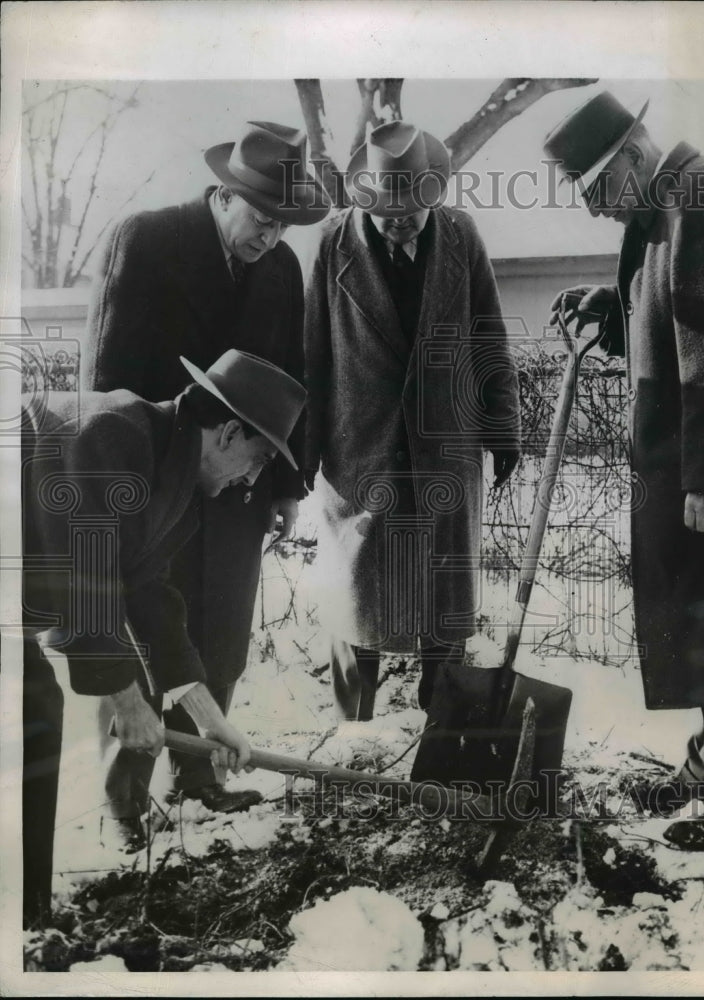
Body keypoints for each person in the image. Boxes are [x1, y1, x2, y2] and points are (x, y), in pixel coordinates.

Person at [82, 122, 329, 824]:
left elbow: (293, 376)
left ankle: (198, 776)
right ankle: (123, 793)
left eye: (284, 225)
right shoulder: (148, 239)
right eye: (261, 219)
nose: (271, 237)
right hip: (153, 472)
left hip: (239, 482)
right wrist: (125, 478)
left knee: (217, 628)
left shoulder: (280, 270)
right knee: (138, 613)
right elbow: (105, 374)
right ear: (224, 195)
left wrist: (284, 484)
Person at [22, 349, 307, 926]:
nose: (250, 481)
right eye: (255, 462)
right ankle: (25, 920)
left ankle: (27, 912)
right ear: (228, 431)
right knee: (34, 714)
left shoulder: (178, 480)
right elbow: (87, 582)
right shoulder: (116, 434)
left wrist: (207, 715)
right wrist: (127, 701)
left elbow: (151, 600)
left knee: (35, 713)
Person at [545, 91, 704, 848]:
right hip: (668, 460)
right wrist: (610, 305)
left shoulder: (701, 198)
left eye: (594, 192)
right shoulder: (658, 210)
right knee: (690, 622)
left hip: (698, 468)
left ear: (629, 155)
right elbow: (659, 322)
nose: (594, 212)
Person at [304, 121, 521, 721]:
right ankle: (354, 726)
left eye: (411, 210)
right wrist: (306, 448)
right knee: (358, 595)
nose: (398, 221)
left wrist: (502, 428)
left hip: (445, 444)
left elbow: (489, 336)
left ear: (434, 197)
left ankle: (443, 722)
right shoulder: (330, 245)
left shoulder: (461, 236)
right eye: (384, 210)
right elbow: (312, 351)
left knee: (444, 592)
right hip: (358, 447)